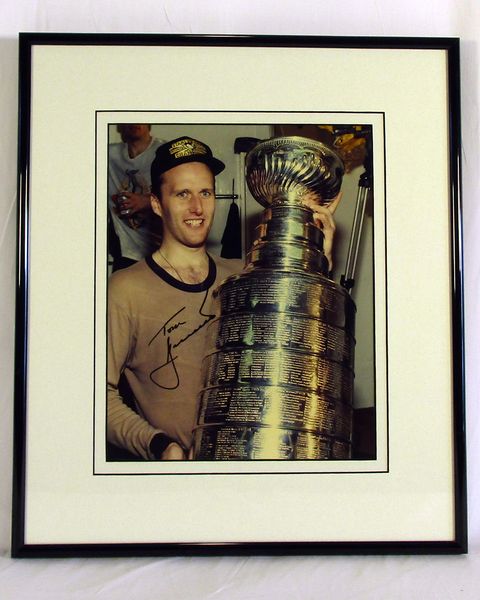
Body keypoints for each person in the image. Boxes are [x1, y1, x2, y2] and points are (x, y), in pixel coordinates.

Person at [107, 136, 341, 461]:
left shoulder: (243, 276)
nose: (197, 208)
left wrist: (316, 256)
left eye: (205, 192)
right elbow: (96, 397)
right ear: (157, 204)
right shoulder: (125, 290)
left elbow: (296, 348)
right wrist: (159, 445)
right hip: (181, 476)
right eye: (182, 194)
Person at [108, 124, 164, 271]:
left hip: (161, 251)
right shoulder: (108, 154)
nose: (134, 122)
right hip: (125, 253)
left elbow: (182, 194)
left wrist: (146, 202)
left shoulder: (165, 152)